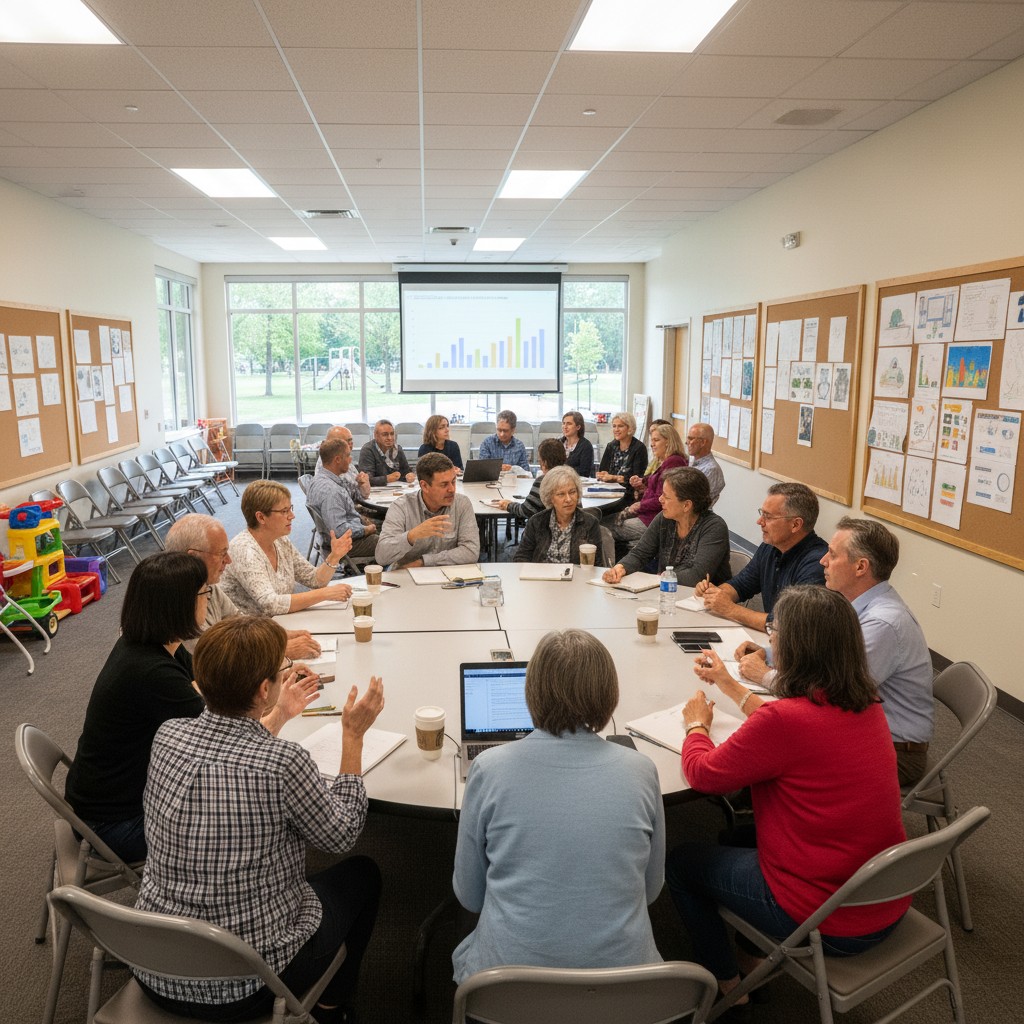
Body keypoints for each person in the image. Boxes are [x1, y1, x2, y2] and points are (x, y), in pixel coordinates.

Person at [667, 586, 910, 1006]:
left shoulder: (786, 721)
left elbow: (705, 775)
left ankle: (727, 983)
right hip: (884, 896)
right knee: (737, 837)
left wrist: (696, 727)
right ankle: (752, 956)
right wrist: (729, 685)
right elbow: (793, 729)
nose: (771, 640)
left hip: (826, 917)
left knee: (681, 862)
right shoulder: (866, 703)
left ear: (795, 647)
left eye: (776, 631)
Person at [134, 617, 384, 1024]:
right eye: (280, 672)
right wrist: (352, 738)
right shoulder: (283, 763)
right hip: (245, 984)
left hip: (153, 965)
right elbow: (343, 834)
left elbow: (227, 745)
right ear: (264, 689)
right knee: (364, 875)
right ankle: (330, 1009)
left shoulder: (167, 735)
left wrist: (279, 715)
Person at [64, 552, 317, 863]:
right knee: (262, 814)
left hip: (108, 799)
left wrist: (271, 679)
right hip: (112, 826)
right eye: (204, 593)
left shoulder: (153, 645)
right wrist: (280, 710)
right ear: (180, 604)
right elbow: (231, 746)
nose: (208, 600)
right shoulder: (151, 673)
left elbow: (216, 698)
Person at [452, 629, 664, 983]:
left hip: (506, 992)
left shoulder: (489, 769)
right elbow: (652, 890)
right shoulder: (642, 771)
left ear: (530, 691)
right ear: (609, 693)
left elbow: (469, 897)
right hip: (627, 993)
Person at [734, 518, 933, 786]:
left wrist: (765, 676)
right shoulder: (857, 605)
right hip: (864, 730)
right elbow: (823, 656)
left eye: (833, 555)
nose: (822, 561)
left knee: (775, 742)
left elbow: (831, 695)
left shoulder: (882, 624)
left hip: (894, 750)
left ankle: (752, 810)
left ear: (861, 567)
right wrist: (768, 652)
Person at [165, 514, 321, 660]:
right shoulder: (177, 602)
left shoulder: (207, 584)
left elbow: (238, 621)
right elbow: (213, 659)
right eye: (221, 553)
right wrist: (278, 650)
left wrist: (276, 635)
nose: (228, 560)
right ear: (194, 557)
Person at [693, 481, 826, 630]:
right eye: (761, 513)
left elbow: (789, 624)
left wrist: (730, 609)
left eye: (768, 517)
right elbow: (742, 584)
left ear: (795, 524)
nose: (759, 521)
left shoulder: (818, 563)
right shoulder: (770, 547)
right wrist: (715, 594)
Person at [221, 480, 354, 615]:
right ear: (261, 517)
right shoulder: (244, 550)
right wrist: (325, 594)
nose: (292, 516)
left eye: (290, 509)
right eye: (284, 511)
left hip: (276, 624)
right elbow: (270, 604)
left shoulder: (280, 541)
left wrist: (334, 556)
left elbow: (314, 579)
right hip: (249, 631)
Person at [603, 468, 730, 586]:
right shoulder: (665, 518)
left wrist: (659, 578)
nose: (660, 499)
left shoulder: (714, 527)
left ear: (686, 505)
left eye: (666, 496)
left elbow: (697, 576)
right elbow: (640, 553)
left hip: (705, 602)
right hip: (667, 593)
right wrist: (620, 568)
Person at [375, 452, 480, 568]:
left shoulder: (462, 504)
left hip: (449, 578)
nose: (452, 489)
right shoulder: (401, 507)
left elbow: (471, 551)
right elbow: (381, 556)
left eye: (453, 482)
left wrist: (424, 562)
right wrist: (410, 536)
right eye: (444, 485)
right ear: (424, 486)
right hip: (407, 578)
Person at [616, 422, 688, 547]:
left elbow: (663, 498)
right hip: (649, 516)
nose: (652, 444)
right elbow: (656, 481)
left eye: (656, 440)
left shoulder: (674, 462)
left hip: (654, 521)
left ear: (668, 441)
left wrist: (640, 505)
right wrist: (642, 481)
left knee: (607, 527)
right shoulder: (667, 461)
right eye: (652, 440)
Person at [306, 438, 379, 561]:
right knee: (392, 544)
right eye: (348, 455)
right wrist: (365, 530)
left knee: (388, 533)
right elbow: (339, 531)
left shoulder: (317, 480)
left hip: (329, 539)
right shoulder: (332, 491)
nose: (350, 460)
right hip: (346, 545)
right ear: (338, 460)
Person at [513, 466, 603, 564]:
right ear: (551, 498)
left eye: (572, 492)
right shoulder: (536, 522)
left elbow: (597, 565)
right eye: (561, 494)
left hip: (576, 578)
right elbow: (521, 557)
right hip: (541, 577)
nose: (568, 499)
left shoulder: (590, 523)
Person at [496, 437, 565, 521]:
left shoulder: (544, 481)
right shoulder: (570, 478)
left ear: (544, 462)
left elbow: (526, 511)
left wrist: (508, 505)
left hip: (546, 530)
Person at [595, 411, 648, 516]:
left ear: (629, 428)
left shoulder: (639, 448)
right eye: (614, 426)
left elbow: (637, 479)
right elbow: (602, 471)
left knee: (598, 511)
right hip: (608, 491)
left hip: (628, 495)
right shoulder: (611, 446)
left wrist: (613, 478)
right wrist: (601, 475)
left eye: (620, 426)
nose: (616, 429)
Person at [316, 425, 371, 500]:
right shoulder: (330, 464)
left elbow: (358, 492)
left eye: (351, 441)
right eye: (347, 441)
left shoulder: (342, 456)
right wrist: (362, 487)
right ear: (333, 444)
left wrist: (363, 484)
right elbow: (349, 497)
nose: (351, 445)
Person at [358, 419, 415, 486]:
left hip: (396, 489)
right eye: (385, 435)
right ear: (376, 435)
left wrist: (409, 475)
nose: (390, 438)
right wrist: (386, 479)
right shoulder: (367, 450)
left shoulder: (397, 449)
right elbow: (365, 479)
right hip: (376, 492)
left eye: (392, 434)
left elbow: (406, 471)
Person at [684, 422, 725, 507]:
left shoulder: (711, 470)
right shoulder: (692, 461)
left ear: (703, 442)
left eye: (691, 439)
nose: (687, 442)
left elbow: (695, 501)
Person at [561, 410, 595, 477]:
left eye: (569, 424)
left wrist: (563, 470)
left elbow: (584, 472)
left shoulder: (586, 446)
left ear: (578, 427)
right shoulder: (558, 443)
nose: (565, 426)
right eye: (563, 423)